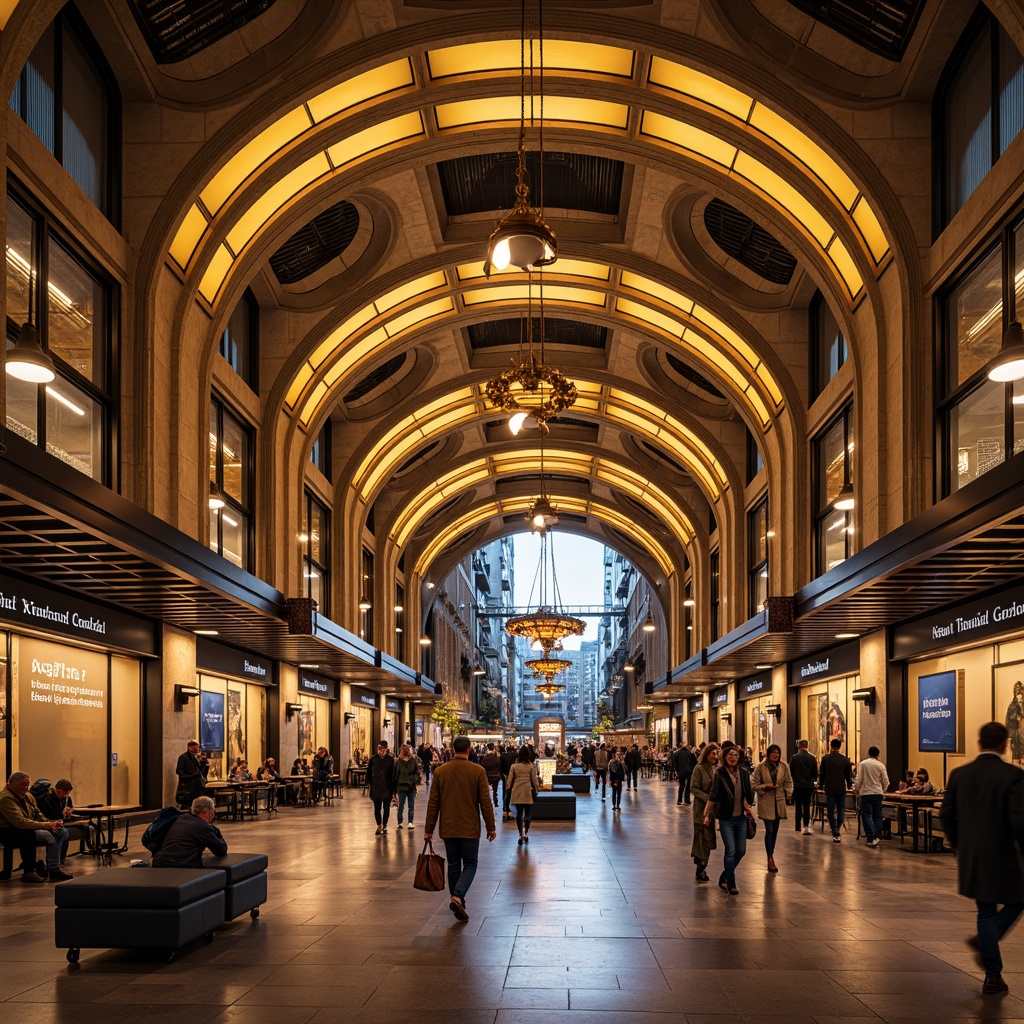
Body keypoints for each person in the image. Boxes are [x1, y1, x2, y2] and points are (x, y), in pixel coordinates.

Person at [939, 722, 1024, 995]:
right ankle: (987, 946)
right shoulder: (1013, 776)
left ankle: (993, 974)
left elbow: (946, 814)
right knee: (1018, 900)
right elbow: (1018, 823)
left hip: (972, 855)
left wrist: (959, 846)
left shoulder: (960, 774)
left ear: (979, 744)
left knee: (985, 910)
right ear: (1004, 745)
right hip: (1004, 854)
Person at [423, 735, 496, 921]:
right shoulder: (478, 771)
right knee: (471, 863)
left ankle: (458, 902)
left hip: (448, 826)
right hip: (470, 826)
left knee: (454, 864)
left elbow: (433, 803)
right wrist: (490, 826)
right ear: (469, 750)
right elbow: (485, 803)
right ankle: (458, 895)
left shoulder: (441, 771)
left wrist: (429, 829)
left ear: (453, 749)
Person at [0, 772, 71, 882]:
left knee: (62, 832)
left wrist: (50, 823)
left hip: (27, 827)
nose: (26, 788)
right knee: (42, 835)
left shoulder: (28, 796)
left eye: (28, 784)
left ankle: (54, 869)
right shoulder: (5, 799)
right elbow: (20, 822)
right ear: (13, 785)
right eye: (23, 785)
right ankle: (29, 872)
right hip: (8, 830)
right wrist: (47, 825)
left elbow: (38, 813)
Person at [705, 745, 755, 896]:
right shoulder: (719, 773)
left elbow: (749, 793)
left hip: (741, 818)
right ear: (724, 758)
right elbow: (713, 796)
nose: (733, 758)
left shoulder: (744, 773)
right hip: (726, 818)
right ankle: (731, 883)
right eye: (730, 756)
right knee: (731, 850)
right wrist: (706, 814)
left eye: (735, 755)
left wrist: (748, 806)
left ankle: (724, 875)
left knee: (741, 850)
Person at [152, 795, 228, 867]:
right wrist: (216, 831)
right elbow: (221, 851)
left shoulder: (181, 818)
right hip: (183, 866)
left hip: (159, 862)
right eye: (213, 810)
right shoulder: (203, 826)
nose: (214, 814)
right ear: (207, 812)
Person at [751, 743, 793, 873]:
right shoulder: (760, 767)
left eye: (777, 754)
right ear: (768, 754)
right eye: (773, 753)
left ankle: (771, 853)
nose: (775, 756)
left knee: (775, 830)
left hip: (779, 801)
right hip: (766, 801)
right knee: (769, 829)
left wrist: (789, 792)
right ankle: (770, 857)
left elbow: (788, 781)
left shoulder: (784, 766)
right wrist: (765, 786)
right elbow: (754, 783)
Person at [34, 778, 96, 857]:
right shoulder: (46, 798)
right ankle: (58, 860)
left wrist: (69, 811)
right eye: (64, 792)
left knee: (88, 827)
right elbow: (46, 815)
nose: (66, 795)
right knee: (63, 832)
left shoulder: (66, 798)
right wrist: (61, 814)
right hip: (49, 822)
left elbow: (68, 810)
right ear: (58, 790)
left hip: (61, 821)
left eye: (68, 793)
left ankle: (61, 859)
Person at [690, 743, 720, 883]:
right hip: (701, 809)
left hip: (714, 809)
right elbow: (694, 788)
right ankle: (701, 867)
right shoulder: (699, 768)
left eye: (717, 753)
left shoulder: (718, 769)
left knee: (708, 838)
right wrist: (708, 798)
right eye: (712, 753)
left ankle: (702, 864)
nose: (715, 756)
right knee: (702, 837)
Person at [818, 737, 852, 842]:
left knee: (830, 810)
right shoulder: (845, 760)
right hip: (841, 788)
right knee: (841, 809)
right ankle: (838, 827)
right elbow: (848, 775)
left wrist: (821, 785)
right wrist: (849, 785)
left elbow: (822, 774)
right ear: (839, 747)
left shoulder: (825, 759)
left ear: (830, 746)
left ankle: (834, 830)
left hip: (830, 788)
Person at [855, 746, 890, 847]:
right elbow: (886, 781)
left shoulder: (863, 764)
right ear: (878, 755)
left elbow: (859, 779)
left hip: (866, 793)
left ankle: (872, 836)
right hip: (878, 793)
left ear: (868, 753)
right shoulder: (881, 765)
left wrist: (857, 789)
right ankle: (878, 835)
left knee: (867, 816)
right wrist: (882, 791)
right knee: (877, 816)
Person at [507, 746, 540, 843]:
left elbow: (509, 780)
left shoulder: (514, 766)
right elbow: (534, 781)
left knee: (519, 814)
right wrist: (537, 789)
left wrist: (507, 789)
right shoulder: (531, 767)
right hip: (528, 793)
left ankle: (520, 834)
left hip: (517, 792)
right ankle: (525, 832)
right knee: (528, 815)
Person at [789, 739, 818, 835]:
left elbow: (791, 772)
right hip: (808, 785)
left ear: (799, 746)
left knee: (798, 805)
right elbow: (815, 773)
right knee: (806, 805)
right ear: (807, 746)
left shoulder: (794, 758)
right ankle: (806, 825)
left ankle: (797, 826)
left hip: (798, 785)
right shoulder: (812, 758)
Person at [367, 740, 396, 834]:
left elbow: (393, 775)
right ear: (378, 749)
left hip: (387, 788)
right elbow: (369, 773)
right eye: (380, 749)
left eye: (384, 749)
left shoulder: (390, 760)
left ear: (387, 749)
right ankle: (379, 825)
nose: (382, 751)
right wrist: (370, 785)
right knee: (377, 808)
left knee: (387, 808)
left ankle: (385, 825)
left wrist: (394, 791)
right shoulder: (373, 759)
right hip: (376, 787)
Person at [393, 743, 421, 829]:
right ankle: (400, 822)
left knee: (410, 805)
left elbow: (417, 772)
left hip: (410, 786)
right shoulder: (398, 762)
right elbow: (395, 775)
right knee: (401, 806)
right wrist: (394, 788)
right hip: (401, 786)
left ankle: (410, 822)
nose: (405, 751)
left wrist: (414, 780)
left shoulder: (412, 761)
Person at [174, 739, 209, 808]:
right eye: (191, 745)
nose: (194, 747)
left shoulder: (200, 757)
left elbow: (203, 774)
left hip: (198, 787)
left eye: (195, 745)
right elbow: (179, 771)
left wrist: (205, 766)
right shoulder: (183, 757)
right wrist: (191, 776)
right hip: (188, 788)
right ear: (188, 747)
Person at [499, 743, 518, 822]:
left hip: (504, 776)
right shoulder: (515, 755)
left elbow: (500, 767)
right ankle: (508, 811)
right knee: (510, 793)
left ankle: (505, 811)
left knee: (505, 792)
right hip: (512, 776)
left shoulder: (502, 756)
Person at [480, 743, 502, 807]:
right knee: (495, 790)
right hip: (495, 776)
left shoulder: (485, 757)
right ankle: (495, 802)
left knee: (487, 790)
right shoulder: (496, 757)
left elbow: (482, 766)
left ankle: (487, 802)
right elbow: (499, 765)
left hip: (487, 776)